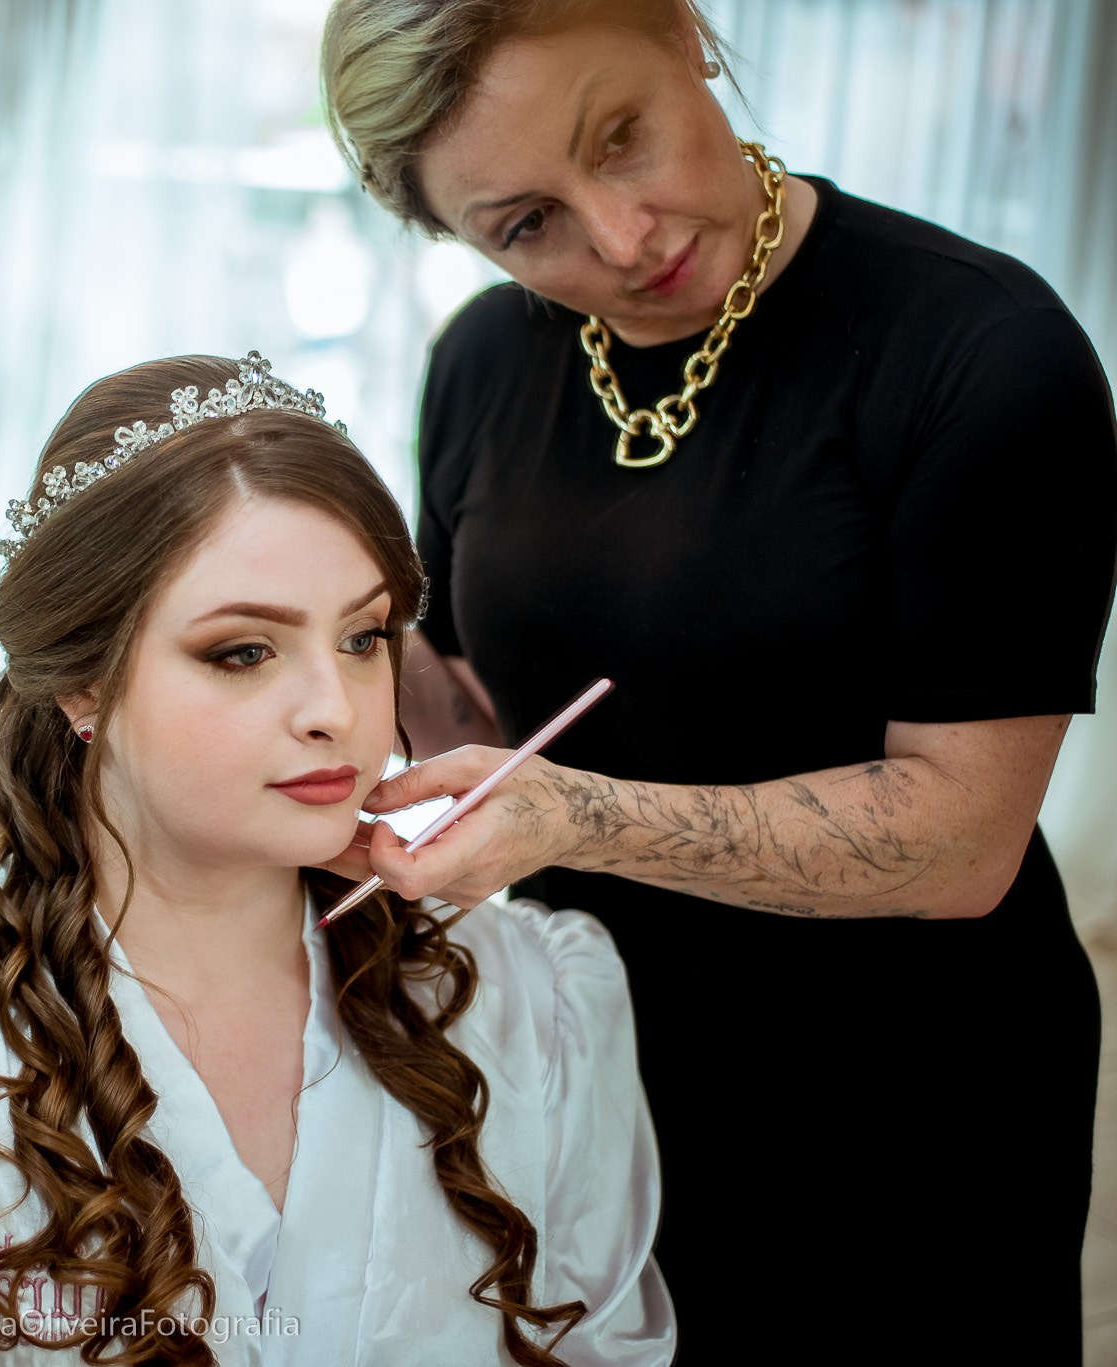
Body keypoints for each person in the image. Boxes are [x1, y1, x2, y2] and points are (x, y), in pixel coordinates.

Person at [318, 3, 1117, 1363]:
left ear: (683, 28)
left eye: (621, 138)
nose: (622, 237)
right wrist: (326, 627)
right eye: (526, 226)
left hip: (901, 1090)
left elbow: (964, 833)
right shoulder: (484, 360)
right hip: (587, 1048)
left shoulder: (979, 351)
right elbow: (475, 714)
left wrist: (579, 819)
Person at [0, 353, 676, 1365]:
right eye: (242, 651)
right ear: (79, 682)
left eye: (363, 636)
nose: (334, 712)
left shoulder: (527, 998)